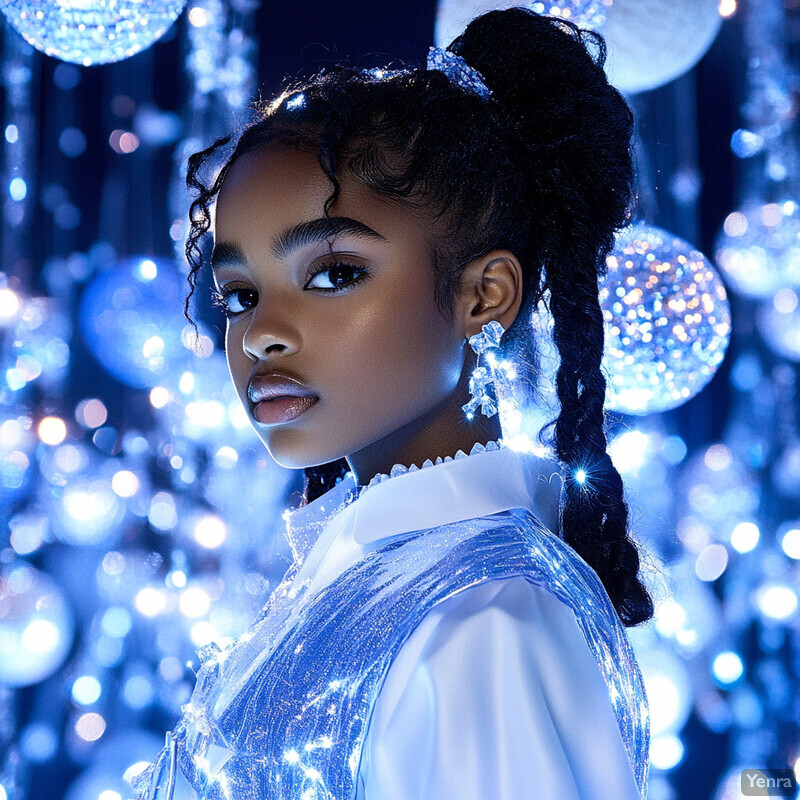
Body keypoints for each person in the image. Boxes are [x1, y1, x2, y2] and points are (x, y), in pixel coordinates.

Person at [133, 6, 655, 800]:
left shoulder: (484, 622)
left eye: (334, 273)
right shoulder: (380, 576)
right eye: (237, 293)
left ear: (487, 295)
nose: (262, 334)